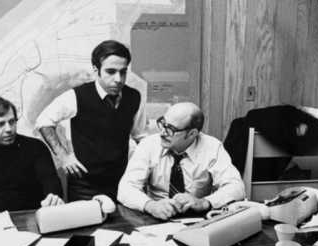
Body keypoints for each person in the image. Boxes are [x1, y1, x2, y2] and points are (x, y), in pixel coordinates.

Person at [35, 40, 145, 201]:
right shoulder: (77, 96)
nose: (118, 79)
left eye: (123, 72)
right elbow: (43, 121)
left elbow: (139, 135)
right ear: (96, 70)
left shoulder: (134, 97)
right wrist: (64, 156)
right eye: (111, 71)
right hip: (85, 186)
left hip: (122, 183)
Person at [117, 102, 245, 220]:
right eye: (163, 123)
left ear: (192, 134)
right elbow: (125, 188)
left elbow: (236, 187)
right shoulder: (149, 145)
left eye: (171, 129)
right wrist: (150, 205)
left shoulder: (212, 147)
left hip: (197, 219)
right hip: (155, 217)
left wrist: (204, 202)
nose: (162, 133)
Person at [0, 96, 64, 214]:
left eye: (12, 122)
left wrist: (53, 199)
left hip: (33, 219)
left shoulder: (36, 148)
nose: (9, 129)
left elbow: (51, 183)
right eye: (0, 124)